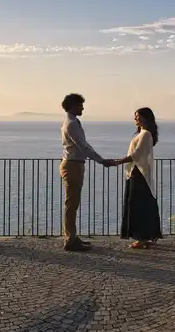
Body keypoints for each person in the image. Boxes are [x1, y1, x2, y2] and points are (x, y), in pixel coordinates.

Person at [60, 93, 112, 252]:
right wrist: (101, 160)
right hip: (73, 165)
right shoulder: (71, 124)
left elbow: (84, 145)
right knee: (71, 204)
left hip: (75, 164)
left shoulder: (73, 122)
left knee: (73, 203)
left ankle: (72, 237)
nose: (82, 107)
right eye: (80, 105)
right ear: (72, 106)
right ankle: (70, 240)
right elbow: (83, 146)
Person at [110, 107, 163, 249]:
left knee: (138, 205)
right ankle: (144, 237)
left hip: (139, 174)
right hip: (137, 173)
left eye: (137, 116)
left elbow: (137, 154)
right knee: (140, 204)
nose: (135, 119)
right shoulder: (144, 134)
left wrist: (118, 162)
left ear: (145, 118)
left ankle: (142, 238)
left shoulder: (145, 134)